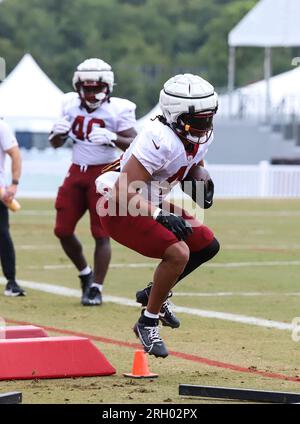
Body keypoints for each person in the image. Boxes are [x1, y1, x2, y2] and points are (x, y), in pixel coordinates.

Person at [96, 73, 220, 358]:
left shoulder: (197, 136)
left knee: (207, 245)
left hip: (150, 202)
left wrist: (201, 180)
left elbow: (194, 162)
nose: (205, 127)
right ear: (175, 116)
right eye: (198, 121)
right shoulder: (157, 139)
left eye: (208, 118)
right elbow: (123, 193)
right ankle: (147, 322)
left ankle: (155, 294)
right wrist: (161, 214)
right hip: (119, 208)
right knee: (178, 253)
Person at [49, 58, 137, 306]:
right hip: (76, 170)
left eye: (96, 88)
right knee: (62, 230)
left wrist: (112, 136)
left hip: (104, 172)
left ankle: (96, 288)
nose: (91, 93)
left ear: (108, 87)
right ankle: (85, 274)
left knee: (101, 233)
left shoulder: (119, 108)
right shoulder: (69, 104)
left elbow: (133, 143)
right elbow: (55, 143)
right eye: (86, 88)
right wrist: (58, 134)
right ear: (78, 86)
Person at [0, 119, 25, 296]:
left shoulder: (1, 126)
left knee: (2, 234)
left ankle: (11, 281)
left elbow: (15, 154)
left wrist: (14, 184)